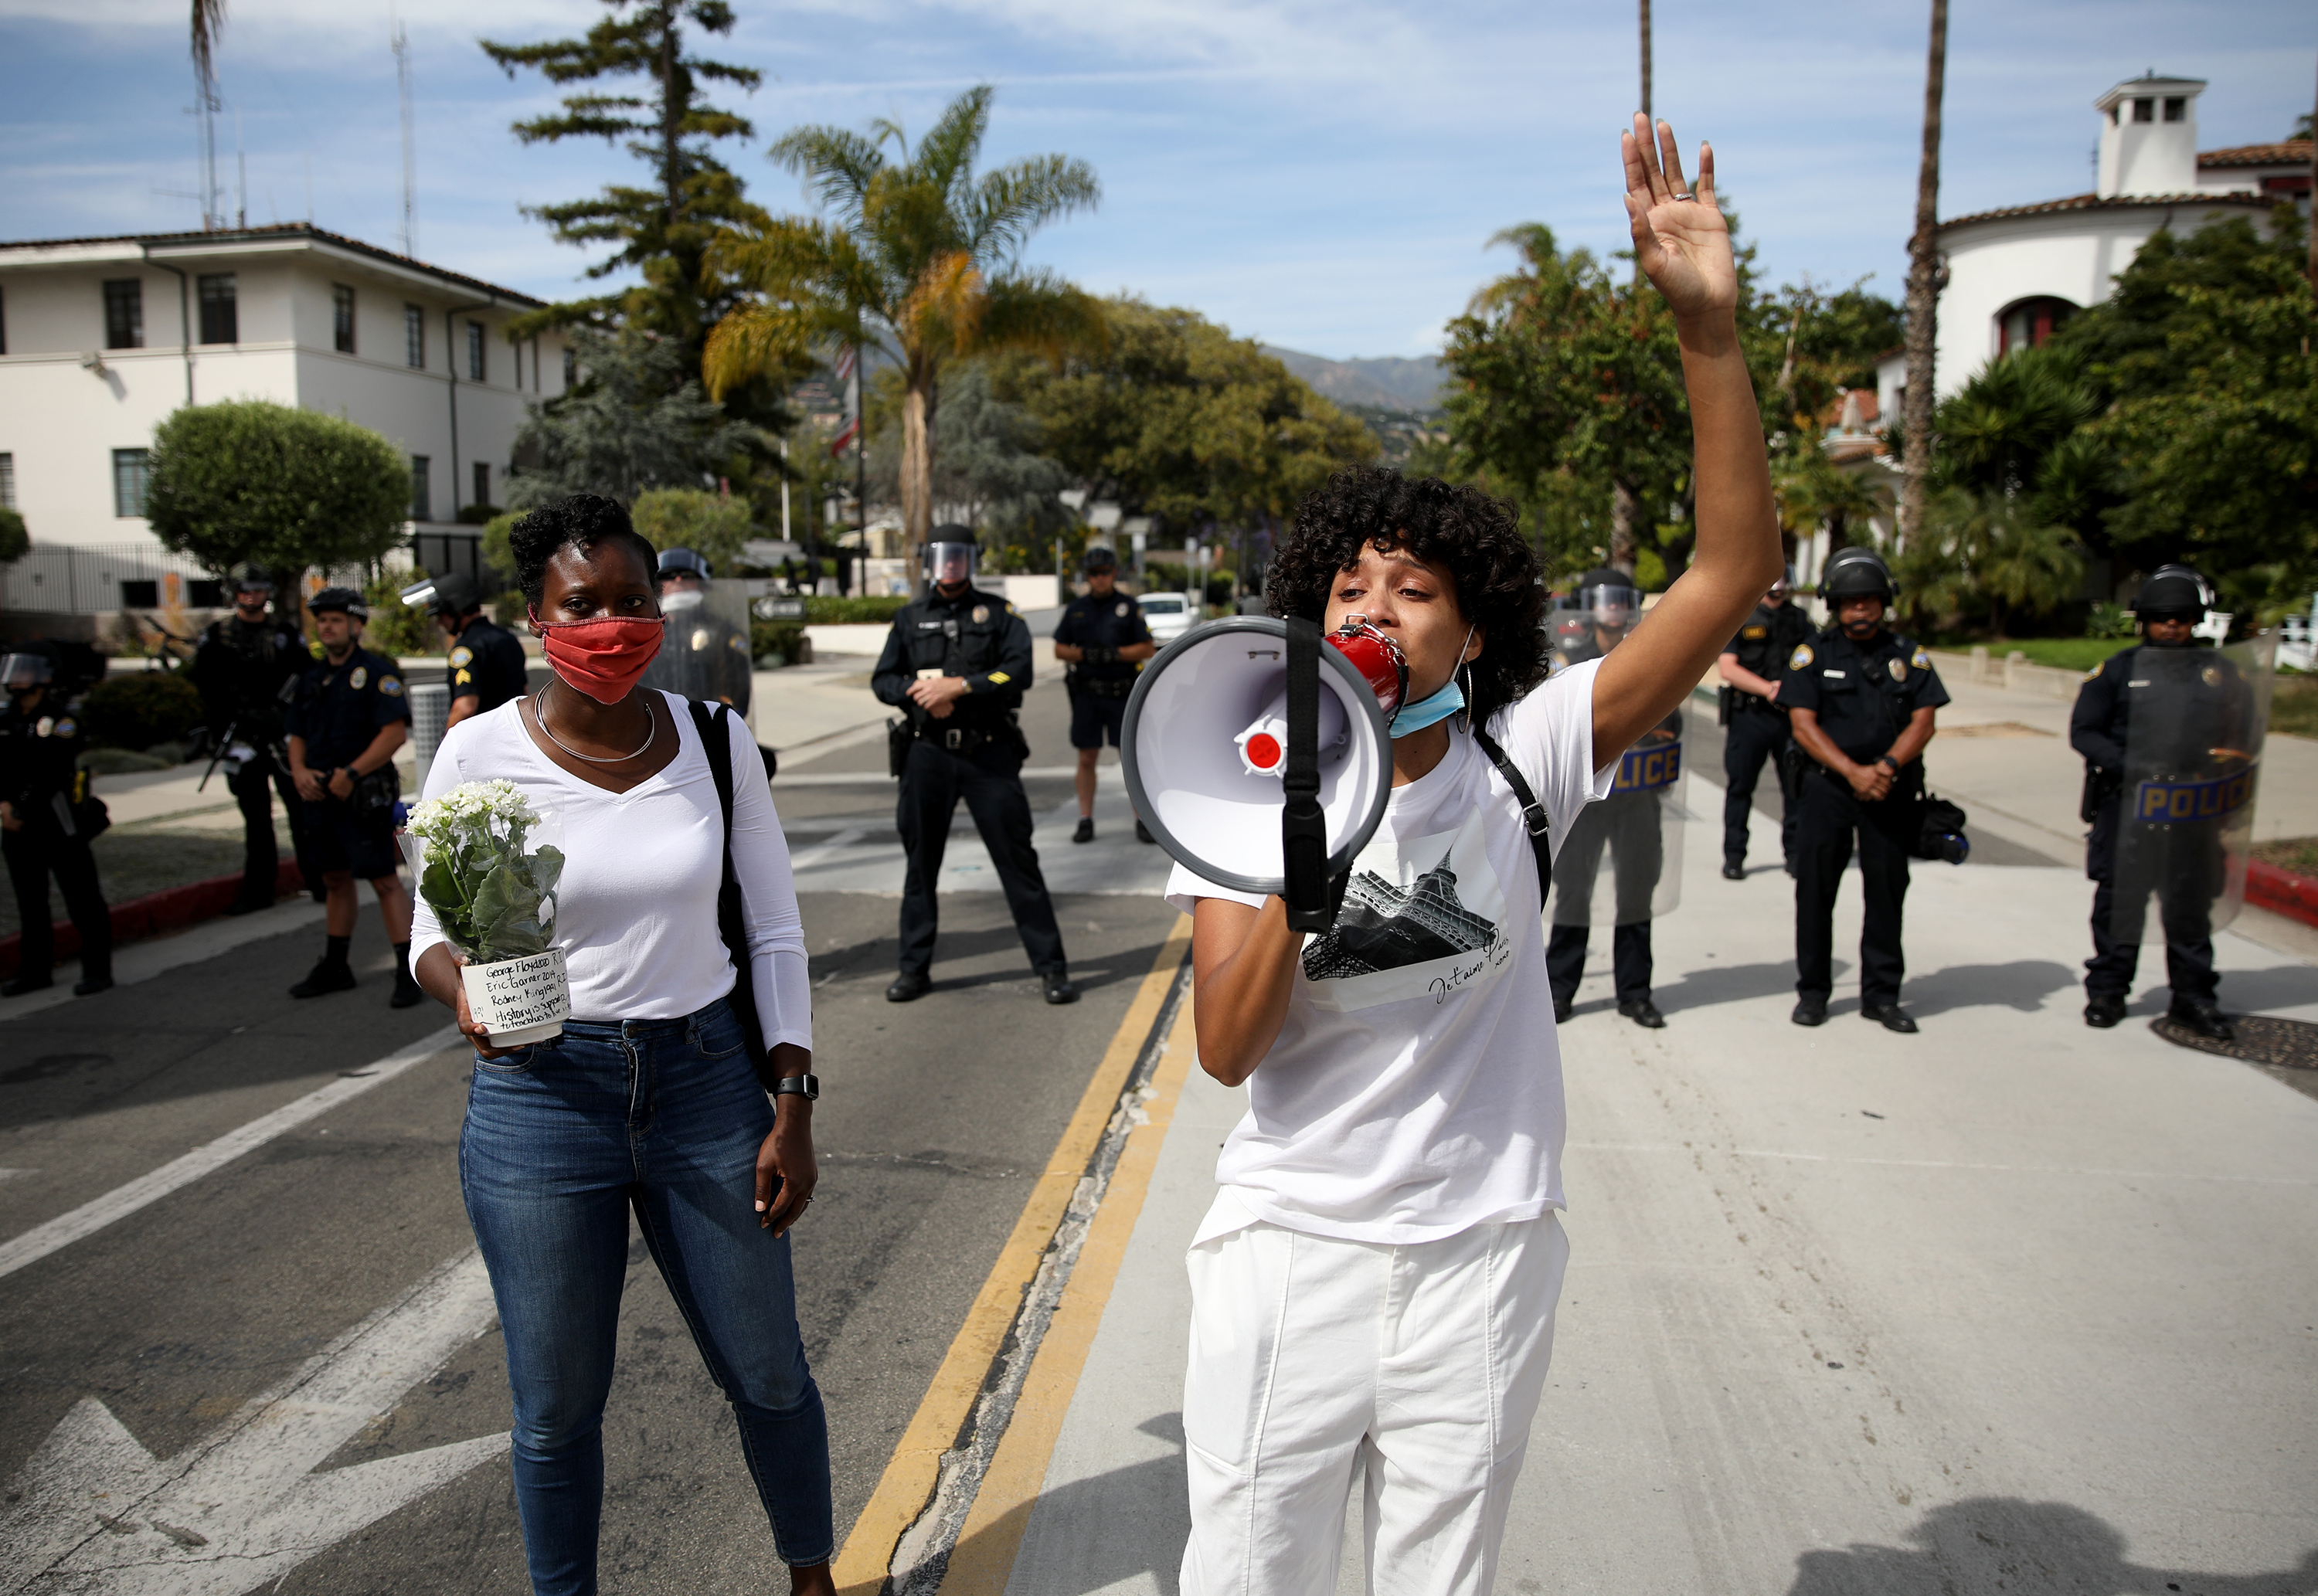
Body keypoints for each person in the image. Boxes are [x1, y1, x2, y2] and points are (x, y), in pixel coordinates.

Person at [1166, 117, 1780, 1594]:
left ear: (1475, 627)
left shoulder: (1533, 749)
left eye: (1413, 586)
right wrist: (1294, 851)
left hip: (1487, 1258)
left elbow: (1732, 570)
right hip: (1292, 1251)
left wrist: (1707, 332)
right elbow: (1227, 1050)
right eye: (1346, 585)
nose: (1372, 608)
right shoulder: (1239, 780)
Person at [409, 493, 831, 1596]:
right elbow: (428, 934)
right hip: (542, 1097)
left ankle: (811, 1577)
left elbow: (775, 930)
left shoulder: (715, 740)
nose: (611, 625)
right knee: (555, 1408)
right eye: (581, 604)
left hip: (708, 1087)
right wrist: (464, 992)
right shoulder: (477, 749)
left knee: (770, 1370)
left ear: (661, 606)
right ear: (536, 617)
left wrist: (792, 1099)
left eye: (632, 600)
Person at [872, 531, 1077, 1005]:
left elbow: (1018, 672)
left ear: (972, 562)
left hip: (988, 754)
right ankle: (913, 970)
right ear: (929, 562)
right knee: (920, 866)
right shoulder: (909, 618)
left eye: (959, 557)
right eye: (942, 557)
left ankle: (1052, 968)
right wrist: (921, 693)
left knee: (1018, 862)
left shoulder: (1001, 614)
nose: (950, 566)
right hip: (927, 754)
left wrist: (962, 687)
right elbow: (883, 680)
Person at [2071, 564, 2243, 1041]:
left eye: (2182, 618)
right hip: (2129, 805)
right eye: (2162, 617)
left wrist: (2225, 784)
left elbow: (2241, 734)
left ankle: (2194, 998)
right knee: (2120, 904)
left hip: (2191, 809)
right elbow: (2084, 731)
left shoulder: (2218, 674)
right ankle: (2108, 991)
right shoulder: (2117, 671)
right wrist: (2130, 764)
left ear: (2195, 621)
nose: (2172, 625)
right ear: (2143, 619)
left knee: (2189, 906)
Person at [1781, 547, 1948, 1034]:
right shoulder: (1813, 655)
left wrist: (1887, 767)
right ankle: (1813, 993)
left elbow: (1924, 720)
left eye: (1870, 600)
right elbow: (1803, 725)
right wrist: (1852, 771)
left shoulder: (1907, 655)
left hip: (1888, 790)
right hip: (1827, 789)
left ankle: (1881, 996)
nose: (1861, 609)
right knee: (1816, 892)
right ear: (1835, 605)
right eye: (1852, 602)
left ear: (1883, 603)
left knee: (1887, 892)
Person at [1545, 570, 1681, 1028]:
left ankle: (1635, 994)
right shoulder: (1568, 661)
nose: (1615, 609)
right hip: (1584, 804)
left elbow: (1670, 724)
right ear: (1588, 606)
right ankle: (1559, 989)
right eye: (1607, 600)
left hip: (1637, 797)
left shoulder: (1650, 658)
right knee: (1574, 892)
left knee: (1637, 891)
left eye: (1623, 601)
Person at [284, 587, 420, 1007]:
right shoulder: (310, 678)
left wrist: (352, 773)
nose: (327, 627)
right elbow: (295, 733)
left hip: (362, 795)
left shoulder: (377, 674)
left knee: (383, 879)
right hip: (319, 794)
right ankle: (336, 966)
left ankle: (408, 970)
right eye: (322, 620)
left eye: (336, 620)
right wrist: (299, 771)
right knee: (334, 879)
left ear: (357, 625)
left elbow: (394, 734)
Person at [190, 566, 315, 913]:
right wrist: (229, 719)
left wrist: (283, 715)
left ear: (267, 593)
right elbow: (204, 685)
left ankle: (319, 882)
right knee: (257, 819)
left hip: (281, 736)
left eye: (257, 589)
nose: (250, 595)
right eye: (243, 589)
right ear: (233, 593)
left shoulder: (285, 634)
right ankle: (259, 891)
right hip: (242, 737)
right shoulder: (217, 636)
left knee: (301, 812)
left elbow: (307, 679)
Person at [0, 642, 113, 997]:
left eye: (24, 670)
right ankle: (35, 971)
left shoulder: (62, 722)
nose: (16, 677)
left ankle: (97, 970)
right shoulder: (6, 719)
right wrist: (5, 806)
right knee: (31, 902)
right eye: (13, 669)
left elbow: (50, 772)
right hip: (16, 826)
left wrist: (20, 807)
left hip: (58, 822)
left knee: (82, 898)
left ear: (45, 676)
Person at [1053, 545, 1156, 844]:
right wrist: (1083, 654)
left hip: (1121, 693)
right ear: (1087, 576)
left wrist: (1115, 654)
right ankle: (1085, 819)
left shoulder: (1128, 606)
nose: (1100, 578)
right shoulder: (1076, 608)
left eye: (1105, 572)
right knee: (1087, 757)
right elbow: (1059, 649)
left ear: (1114, 573)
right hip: (1087, 694)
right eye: (1094, 573)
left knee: (1130, 757)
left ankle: (1142, 819)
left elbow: (1147, 648)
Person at [1715, 563, 1813, 879]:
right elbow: (1728, 668)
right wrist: (1769, 689)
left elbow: (1814, 663)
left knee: (1795, 788)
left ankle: (1795, 855)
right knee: (1740, 788)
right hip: (1750, 716)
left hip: (1789, 718)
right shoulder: (1742, 616)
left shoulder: (1800, 620)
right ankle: (1734, 856)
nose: (1778, 590)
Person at [645, 547, 754, 714]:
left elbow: (737, 695)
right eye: (668, 576)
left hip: (706, 723)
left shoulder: (723, 632)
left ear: (703, 585)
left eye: (688, 575)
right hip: (657, 722)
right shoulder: (646, 633)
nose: (678, 580)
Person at [425, 571, 530, 728]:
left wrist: (447, 740)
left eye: (440, 615)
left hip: (485, 736)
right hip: (515, 731)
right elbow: (524, 692)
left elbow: (465, 707)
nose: (439, 622)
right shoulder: (507, 637)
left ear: (457, 611)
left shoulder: (466, 647)